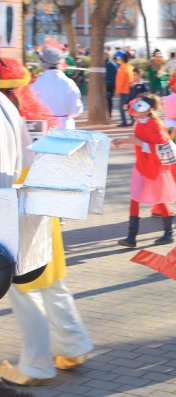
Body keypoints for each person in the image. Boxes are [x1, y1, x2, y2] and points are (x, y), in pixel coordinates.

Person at [0, 57, 93, 386]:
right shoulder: (14, 108)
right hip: (34, 192)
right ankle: (74, 346)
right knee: (50, 281)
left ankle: (36, 366)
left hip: (11, 200)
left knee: (24, 290)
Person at [113, 95, 176, 247]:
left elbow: (160, 148)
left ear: (148, 110)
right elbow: (136, 138)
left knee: (160, 199)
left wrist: (139, 143)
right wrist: (123, 141)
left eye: (139, 105)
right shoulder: (138, 122)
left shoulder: (156, 126)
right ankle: (131, 237)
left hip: (154, 168)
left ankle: (169, 233)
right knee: (134, 198)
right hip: (141, 166)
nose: (135, 108)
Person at [30, 44, 84, 129]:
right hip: (65, 128)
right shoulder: (69, 83)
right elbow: (76, 109)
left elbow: (31, 108)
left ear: (43, 64)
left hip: (43, 127)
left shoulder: (35, 84)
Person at [114, 52, 134, 127]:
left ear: (122, 59)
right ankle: (132, 120)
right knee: (129, 106)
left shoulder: (122, 68)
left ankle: (124, 121)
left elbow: (120, 81)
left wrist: (117, 91)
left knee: (121, 107)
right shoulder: (131, 67)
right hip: (130, 89)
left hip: (123, 90)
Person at [105, 53, 118, 119]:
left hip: (105, 84)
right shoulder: (114, 64)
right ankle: (109, 114)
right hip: (112, 84)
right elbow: (117, 74)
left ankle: (106, 114)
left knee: (104, 100)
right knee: (109, 99)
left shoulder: (102, 65)